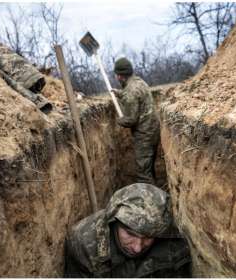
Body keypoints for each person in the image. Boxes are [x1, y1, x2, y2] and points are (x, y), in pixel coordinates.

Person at [64, 183, 192, 278]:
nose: (138, 248)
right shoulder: (83, 243)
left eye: (148, 237)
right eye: (130, 234)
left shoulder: (178, 241)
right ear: (113, 222)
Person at [112, 58, 160, 184]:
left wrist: (119, 120)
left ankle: (149, 201)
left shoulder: (130, 92)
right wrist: (119, 93)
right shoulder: (139, 82)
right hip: (153, 130)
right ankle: (156, 194)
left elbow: (131, 120)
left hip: (144, 136)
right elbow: (134, 97)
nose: (116, 77)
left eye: (116, 75)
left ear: (120, 76)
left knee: (144, 173)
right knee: (149, 167)